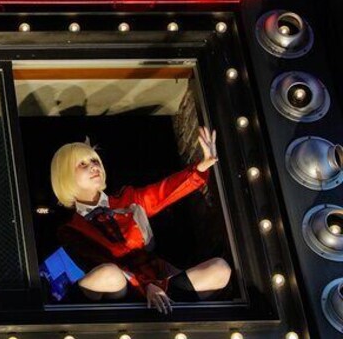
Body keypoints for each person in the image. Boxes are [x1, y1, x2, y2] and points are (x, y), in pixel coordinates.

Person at [50, 127, 231, 313]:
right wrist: (144, 286)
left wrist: (202, 166)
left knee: (221, 268)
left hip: (157, 280)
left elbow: (165, 191)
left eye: (95, 160)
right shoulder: (71, 229)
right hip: (119, 290)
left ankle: (165, 306)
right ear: (65, 175)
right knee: (109, 274)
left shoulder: (128, 199)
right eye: (82, 164)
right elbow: (98, 263)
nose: (93, 166)